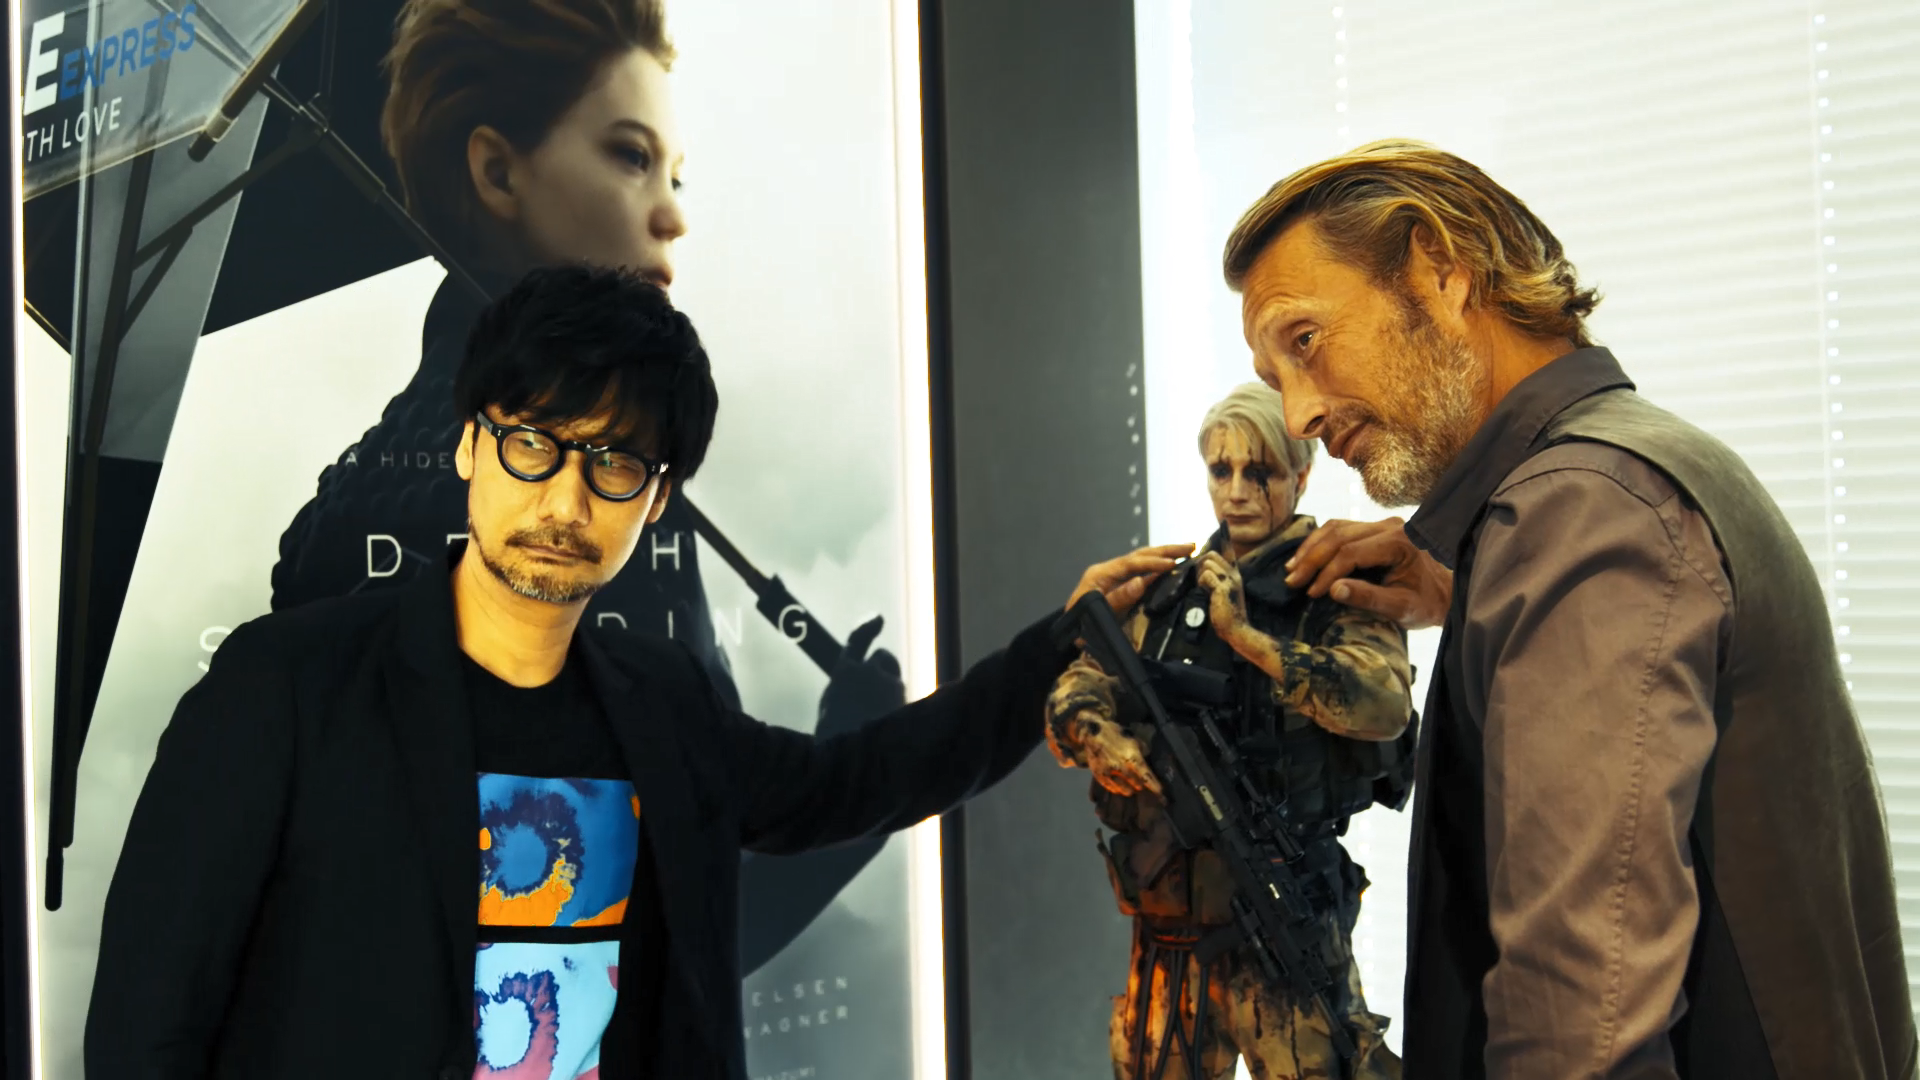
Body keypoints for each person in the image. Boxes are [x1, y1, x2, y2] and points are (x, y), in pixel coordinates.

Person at [84, 264, 1187, 1079]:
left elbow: (852, 785)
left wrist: (1063, 646)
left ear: (657, 499)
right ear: (469, 443)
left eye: (613, 462)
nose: (564, 501)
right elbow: (147, 1025)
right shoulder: (285, 687)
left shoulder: (662, 699)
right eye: (532, 442)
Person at [1223, 139, 1915, 1078]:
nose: (1300, 414)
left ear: (1440, 271)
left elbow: (1577, 1024)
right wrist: (1480, 588)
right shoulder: (1632, 468)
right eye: (1276, 382)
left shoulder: (1582, 513)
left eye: (1305, 341)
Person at [267, 0, 897, 974]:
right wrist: (862, 773)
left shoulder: (357, 487)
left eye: (675, 174)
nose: (672, 214)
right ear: (497, 171)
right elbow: (666, 937)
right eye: (630, 156)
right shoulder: (579, 509)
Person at [1044, 382, 1413, 1080]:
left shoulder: (1333, 588)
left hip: (1282, 923)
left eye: (1260, 471)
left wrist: (1246, 639)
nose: (1238, 492)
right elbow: (1080, 681)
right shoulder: (1168, 592)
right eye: (1222, 470)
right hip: (1170, 930)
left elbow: (1382, 702)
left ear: (1301, 475)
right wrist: (1094, 732)